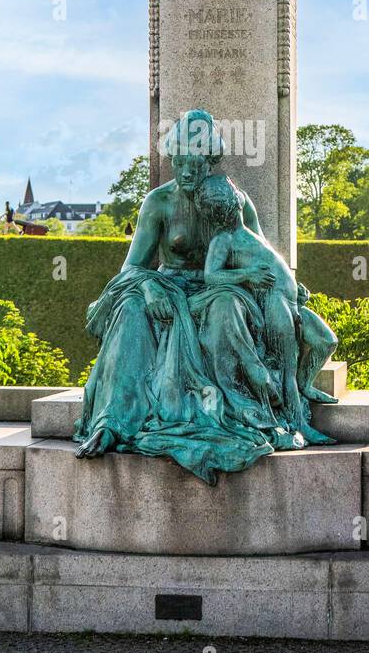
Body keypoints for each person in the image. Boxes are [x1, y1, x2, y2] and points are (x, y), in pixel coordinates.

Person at [73, 109, 335, 483]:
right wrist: (148, 286)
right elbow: (131, 268)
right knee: (130, 309)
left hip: (220, 290)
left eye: (194, 163)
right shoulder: (159, 203)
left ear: (209, 160)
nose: (185, 171)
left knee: (228, 307)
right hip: (168, 288)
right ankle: (112, 422)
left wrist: (288, 286)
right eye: (178, 162)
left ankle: (246, 409)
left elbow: (262, 254)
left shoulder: (233, 200)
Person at [199, 173, 338, 419]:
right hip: (273, 302)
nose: (240, 198)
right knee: (287, 369)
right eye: (233, 196)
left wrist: (295, 286)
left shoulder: (249, 230)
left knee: (326, 341)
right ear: (226, 208)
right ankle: (298, 422)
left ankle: (305, 385)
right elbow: (211, 276)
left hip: (291, 300)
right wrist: (247, 274)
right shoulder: (223, 240)